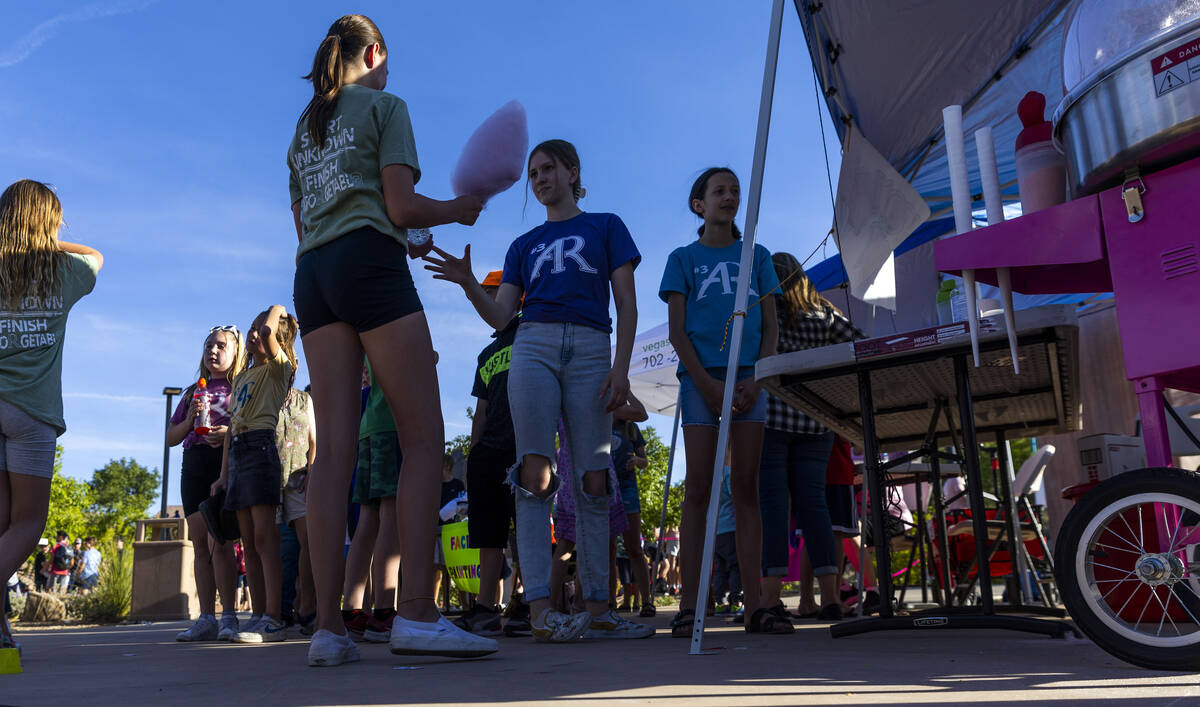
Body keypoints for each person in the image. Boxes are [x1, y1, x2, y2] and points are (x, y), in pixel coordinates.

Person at [287, 14, 492, 667]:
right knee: (424, 437)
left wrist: (386, 226)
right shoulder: (386, 105)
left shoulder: (304, 127)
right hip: (369, 268)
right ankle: (416, 614)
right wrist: (457, 209)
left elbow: (311, 222)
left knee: (333, 456)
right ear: (373, 52)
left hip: (314, 277)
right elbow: (401, 206)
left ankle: (327, 627)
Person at [424, 138, 651, 641]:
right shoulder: (523, 245)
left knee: (595, 477)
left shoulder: (607, 226)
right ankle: (541, 613)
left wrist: (622, 368)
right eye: (533, 173)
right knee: (534, 473)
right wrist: (467, 284)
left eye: (549, 169)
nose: (541, 178)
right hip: (533, 345)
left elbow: (627, 303)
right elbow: (502, 315)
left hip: (594, 345)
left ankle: (598, 609)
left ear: (573, 171)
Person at [659, 167, 786, 636]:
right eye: (719, 191)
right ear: (699, 204)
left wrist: (759, 379)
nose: (729, 196)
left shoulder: (759, 257)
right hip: (700, 382)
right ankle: (691, 604)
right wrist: (708, 386)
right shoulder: (682, 258)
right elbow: (677, 331)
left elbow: (771, 327)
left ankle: (755, 606)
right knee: (698, 489)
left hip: (751, 380)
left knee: (746, 487)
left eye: (735, 190)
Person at [0, 180, 101, 652]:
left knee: (3, 523)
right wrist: (43, 241)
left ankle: (2, 641)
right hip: (31, 411)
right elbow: (97, 256)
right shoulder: (62, 269)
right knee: (27, 523)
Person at [758, 252, 862, 622]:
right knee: (815, 509)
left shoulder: (765, 311)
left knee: (772, 508)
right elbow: (860, 345)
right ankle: (831, 596)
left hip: (771, 419)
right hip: (816, 422)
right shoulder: (825, 313)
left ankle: (768, 598)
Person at [211, 304, 298, 643]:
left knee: (265, 539)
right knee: (248, 543)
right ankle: (260, 614)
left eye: (261, 329)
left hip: (262, 447)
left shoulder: (280, 368)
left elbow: (267, 333)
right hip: (240, 451)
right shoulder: (244, 375)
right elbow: (232, 427)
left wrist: (277, 311)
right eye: (251, 327)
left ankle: (275, 617)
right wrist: (223, 474)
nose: (254, 333)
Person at [455, 271, 526, 637]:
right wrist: (473, 454)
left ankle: (530, 601)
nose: (486, 298)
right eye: (483, 293)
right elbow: (480, 412)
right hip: (489, 452)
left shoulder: (531, 334)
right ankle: (486, 608)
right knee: (488, 534)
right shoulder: (486, 353)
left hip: (524, 446)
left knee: (525, 530)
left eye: (491, 292)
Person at [168, 325, 245, 642]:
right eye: (209, 345)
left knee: (222, 543)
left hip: (224, 466)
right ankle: (206, 618)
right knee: (200, 545)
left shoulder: (240, 388)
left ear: (235, 353)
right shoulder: (191, 391)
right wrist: (189, 421)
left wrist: (227, 434)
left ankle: (229, 616)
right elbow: (171, 438)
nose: (213, 351)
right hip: (194, 465)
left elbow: (252, 426)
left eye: (221, 346)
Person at [342, 361, 404, 643]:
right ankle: (384, 612)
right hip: (391, 423)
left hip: (369, 427)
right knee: (391, 516)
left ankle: (353, 612)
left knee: (368, 519)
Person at [276, 385, 317, 633]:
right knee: (275, 547)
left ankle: (307, 607)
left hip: (298, 479)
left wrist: (311, 473)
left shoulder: (305, 399)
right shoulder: (263, 391)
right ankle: (275, 611)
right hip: (267, 477)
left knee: (307, 542)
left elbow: (313, 439)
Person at [610, 398, 655, 617]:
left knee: (634, 549)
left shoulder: (632, 427)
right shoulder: (600, 423)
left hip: (627, 490)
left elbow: (645, 461)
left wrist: (637, 461)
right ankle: (609, 601)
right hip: (605, 489)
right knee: (608, 550)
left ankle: (647, 601)